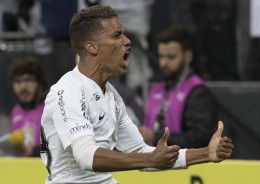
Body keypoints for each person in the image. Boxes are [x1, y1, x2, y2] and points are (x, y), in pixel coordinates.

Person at [40, 5, 234, 184]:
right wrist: (149, 158)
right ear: (92, 47)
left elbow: (141, 152)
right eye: (116, 35)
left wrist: (206, 153)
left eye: (124, 34)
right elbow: (86, 157)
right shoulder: (68, 92)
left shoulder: (111, 96)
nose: (126, 41)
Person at [139, 26, 218, 149]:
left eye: (171, 57)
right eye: (161, 56)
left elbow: (200, 139)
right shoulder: (156, 88)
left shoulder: (199, 92)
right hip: (153, 162)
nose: (164, 63)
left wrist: (155, 136)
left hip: (187, 165)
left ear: (187, 56)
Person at [8, 56, 48, 157]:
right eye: (18, 81)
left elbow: (61, 150)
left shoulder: (50, 108)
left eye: (28, 80)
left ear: (40, 83)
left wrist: (34, 152)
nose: (23, 86)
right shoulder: (16, 111)